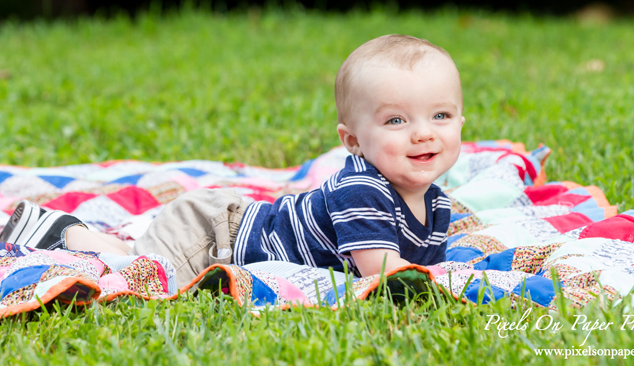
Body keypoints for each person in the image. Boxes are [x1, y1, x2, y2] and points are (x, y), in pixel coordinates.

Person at [1, 34, 465, 288]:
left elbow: (432, 269)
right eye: (397, 120)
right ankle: (62, 233)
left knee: (138, 263)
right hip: (211, 237)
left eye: (440, 115)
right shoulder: (362, 189)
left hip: (227, 220)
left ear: (461, 121)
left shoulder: (437, 204)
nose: (424, 132)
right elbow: (385, 277)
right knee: (139, 274)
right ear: (353, 141)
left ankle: (106, 236)